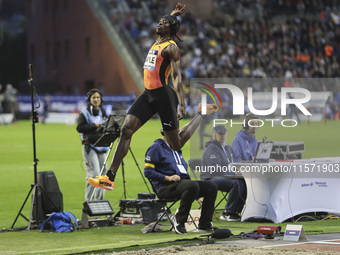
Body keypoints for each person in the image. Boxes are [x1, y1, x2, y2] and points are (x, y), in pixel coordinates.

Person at [89, 3, 217, 190]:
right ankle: (109, 177)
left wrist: (182, 104)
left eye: (163, 22)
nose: (159, 23)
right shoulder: (157, 42)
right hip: (148, 94)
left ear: (171, 28)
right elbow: (168, 24)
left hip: (164, 96)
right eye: (160, 21)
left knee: (176, 144)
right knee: (126, 130)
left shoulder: (171, 47)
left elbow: (176, 76)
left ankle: (201, 114)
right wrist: (172, 15)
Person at [144, 130, 218, 235]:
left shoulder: (177, 149)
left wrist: (197, 196)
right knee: (191, 186)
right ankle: (179, 220)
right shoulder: (156, 147)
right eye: (176, 133)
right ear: (166, 133)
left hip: (182, 185)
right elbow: (148, 172)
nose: (179, 136)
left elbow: (184, 173)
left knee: (211, 186)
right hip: (164, 187)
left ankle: (205, 223)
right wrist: (167, 178)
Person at [201, 125, 246, 221]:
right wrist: (233, 173)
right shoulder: (211, 149)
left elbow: (233, 164)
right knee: (237, 184)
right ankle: (227, 212)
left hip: (225, 176)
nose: (223, 136)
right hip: (210, 178)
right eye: (220, 134)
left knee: (245, 182)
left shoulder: (228, 148)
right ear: (214, 135)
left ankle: (236, 211)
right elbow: (216, 169)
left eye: (224, 133)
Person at [76, 88, 110, 201]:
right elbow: (79, 128)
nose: (96, 99)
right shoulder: (84, 113)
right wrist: (94, 126)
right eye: (94, 97)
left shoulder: (102, 111)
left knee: (104, 174)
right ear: (89, 99)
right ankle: (88, 203)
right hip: (89, 146)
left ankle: (100, 201)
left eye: (98, 97)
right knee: (93, 174)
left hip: (102, 145)